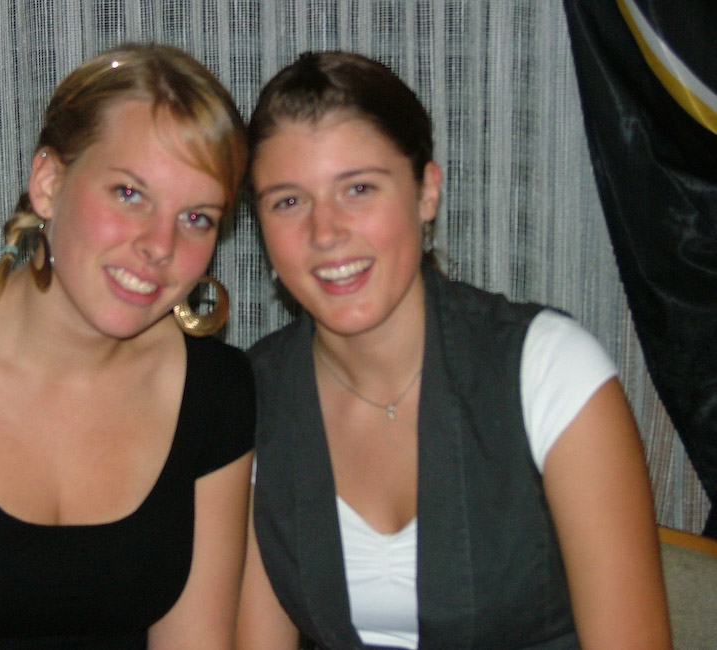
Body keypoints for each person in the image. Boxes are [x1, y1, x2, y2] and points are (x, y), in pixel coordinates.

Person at [236, 51, 672, 650]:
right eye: (288, 201)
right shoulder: (252, 398)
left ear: (426, 193)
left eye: (359, 188)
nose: (325, 232)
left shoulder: (550, 372)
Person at [0, 42, 253, 649]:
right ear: (48, 183)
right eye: (129, 193)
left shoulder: (218, 392)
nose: (160, 246)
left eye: (196, 217)